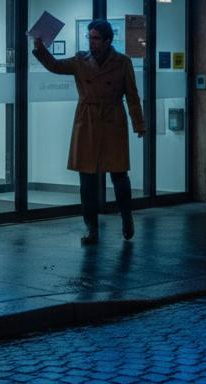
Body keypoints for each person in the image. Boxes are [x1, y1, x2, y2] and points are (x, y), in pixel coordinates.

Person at [32, 19, 145, 245]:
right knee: (87, 181)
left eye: (95, 38)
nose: (91, 42)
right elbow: (55, 66)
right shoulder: (80, 60)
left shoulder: (122, 62)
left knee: (119, 176)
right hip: (87, 120)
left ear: (107, 40)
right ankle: (91, 228)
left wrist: (138, 124)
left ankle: (126, 217)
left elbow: (132, 95)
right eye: (89, 37)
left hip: (113, 118)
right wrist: (40, 47)